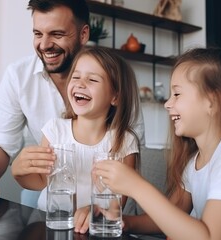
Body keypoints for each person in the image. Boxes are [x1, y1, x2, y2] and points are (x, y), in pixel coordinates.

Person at [0, 0, 145, 208]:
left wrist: (102, 211)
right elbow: (1, 140)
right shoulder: (18, 76)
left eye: (57, 34)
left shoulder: (116, 78)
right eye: (38, 34)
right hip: (52, 207)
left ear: (83, 34)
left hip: (108, 216)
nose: (45, 45)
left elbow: (129, 160)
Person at [93, 47, 221, 239]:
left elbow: (210, 237)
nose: (168, 103)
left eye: (177, 94)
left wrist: (136, 186)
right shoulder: (195, 163)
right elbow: (172, 216)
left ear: (213, 100)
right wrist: (126, 222)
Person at [11, 46, 141, 234]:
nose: (80, 84)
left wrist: (94, 211)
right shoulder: (55, 130)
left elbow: (116, 204)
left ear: (115, 96)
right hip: (49, 223)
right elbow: (40, 181)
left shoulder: (124, 141)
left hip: (93, 230)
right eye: (76, 77)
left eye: (92, 79)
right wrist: (18, 172)